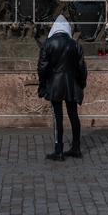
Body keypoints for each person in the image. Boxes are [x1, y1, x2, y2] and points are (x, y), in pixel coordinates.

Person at [37, 14, 88, 161]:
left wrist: (43, 84)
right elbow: (81, 68)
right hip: (72, 84)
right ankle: (76, 147)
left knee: (57, 117)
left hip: (55, 85)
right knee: (74, 115)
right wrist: (82, 83)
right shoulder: (75, 44)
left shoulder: (48, 43)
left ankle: (58, 150)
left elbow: (42, 67)